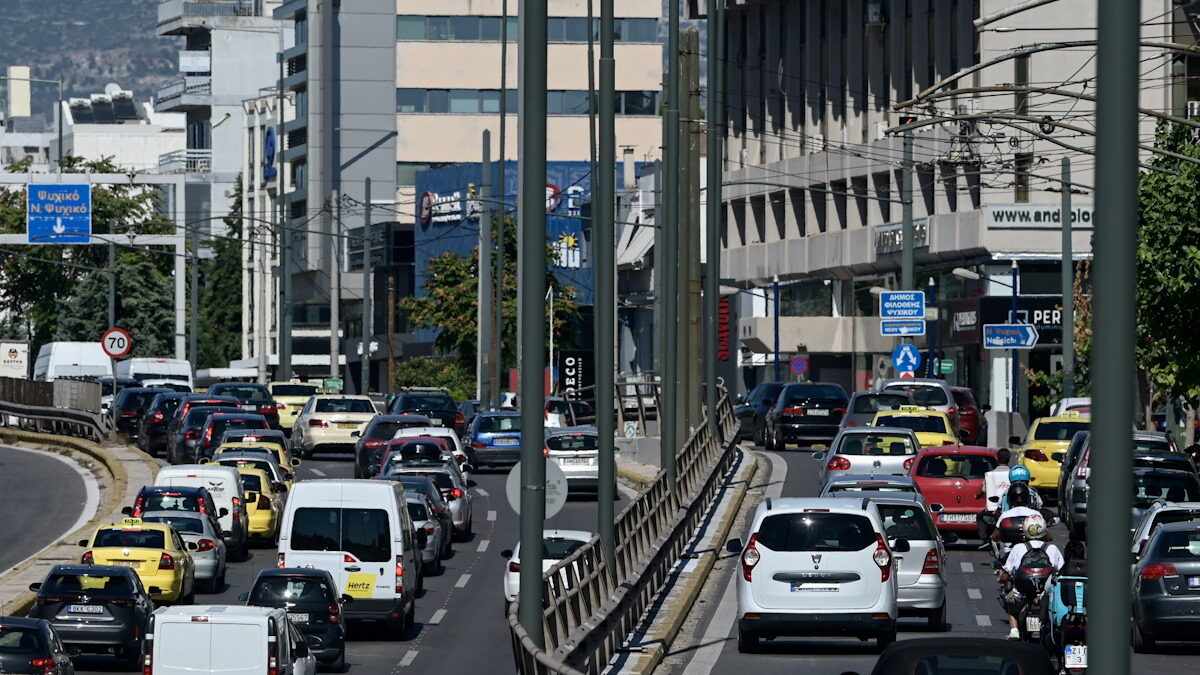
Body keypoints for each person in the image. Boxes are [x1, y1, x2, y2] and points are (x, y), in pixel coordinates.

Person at [997, 513, 1064, 639]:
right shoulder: (1052, 548)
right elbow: (1061, 571)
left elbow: (1006, 573)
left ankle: (1014, 630)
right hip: (1046, 593)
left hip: (1023, 592)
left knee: (1010, 602)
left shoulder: (1018, 548)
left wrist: (1001, 578)